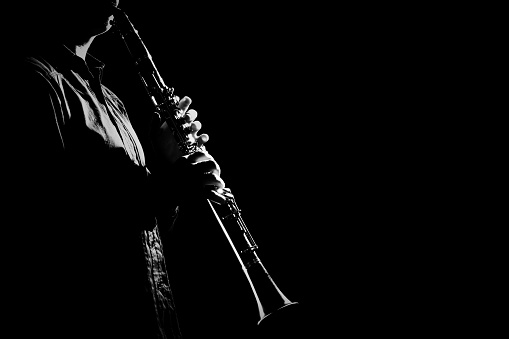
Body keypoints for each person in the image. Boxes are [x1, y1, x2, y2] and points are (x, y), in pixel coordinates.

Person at [2, 1, 226, 338]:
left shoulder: (114, 101)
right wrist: (167, 187)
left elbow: (151, 227)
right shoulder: (37, 81)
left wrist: (169, 164)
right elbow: (51, 217)